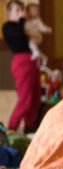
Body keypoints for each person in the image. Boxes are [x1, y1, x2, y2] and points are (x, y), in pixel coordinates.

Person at [2, 0, 41, 132]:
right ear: (9, 13)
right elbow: (19, 37)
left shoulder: (24, 25)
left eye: (21, 9)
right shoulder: (8, 26)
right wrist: (22, 19)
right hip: (21, 61)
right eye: (17, 10)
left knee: (36, 97)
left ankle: (30, 127)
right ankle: (12, 128)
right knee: (25, 98)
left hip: (32, 60)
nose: (20, 13)